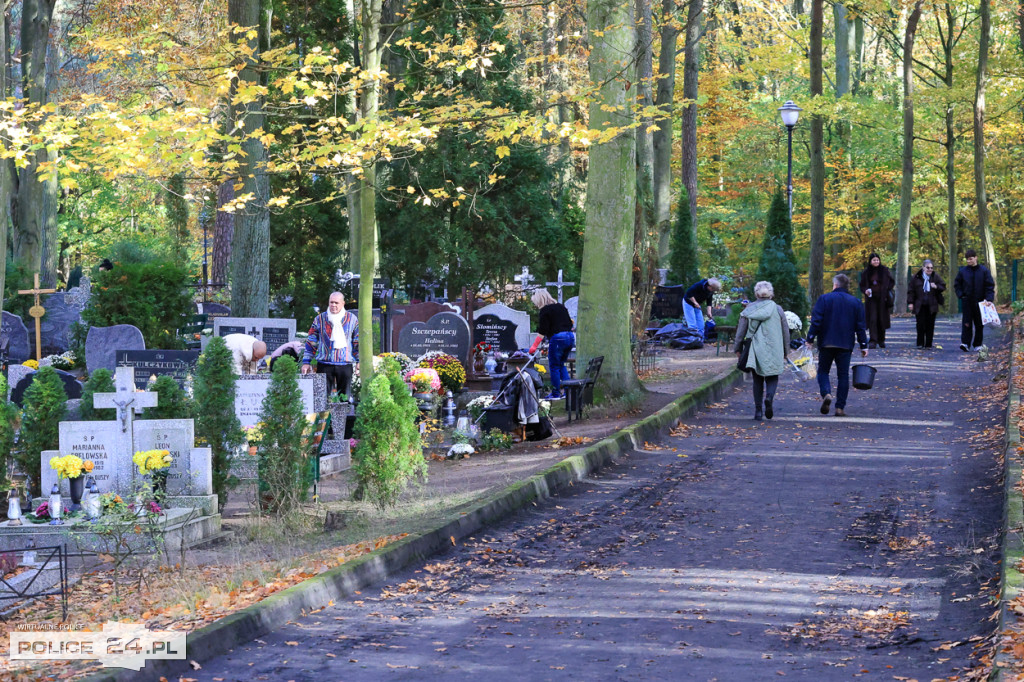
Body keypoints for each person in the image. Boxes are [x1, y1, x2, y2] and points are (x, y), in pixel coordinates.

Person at [805, 273, 868, 417]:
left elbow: (816, 321)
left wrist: (810, 339)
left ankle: (826, 393)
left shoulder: (824, 299)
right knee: (843, 375)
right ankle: (840, 407)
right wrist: (864, 345)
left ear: (835, 285)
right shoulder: (856, 302)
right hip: (845, 344)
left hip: (826, 342)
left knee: (823, 371)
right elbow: (860, 326)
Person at [734, 281, 790, 421]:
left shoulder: (749, 309)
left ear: (756, 294)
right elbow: (785, 332)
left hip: (755, 348)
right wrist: (786, 350)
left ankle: (758, 411)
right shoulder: (778, 309)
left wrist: (737, 348)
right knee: (772, 375)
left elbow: (741, 332)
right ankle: (769, 397)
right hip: (774, 347)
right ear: (771, 294)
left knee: (757, 379)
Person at [302, 291, 359, 396]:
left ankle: (342, 413)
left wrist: (359, 361)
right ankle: (323, 413)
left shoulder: (352, 319)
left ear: (343, 303)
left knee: (344, 399)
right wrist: (306, 362)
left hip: (345, 365)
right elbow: (311, 342)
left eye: (336, 303)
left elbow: (357, 342)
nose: (333, 305)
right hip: (324, 364)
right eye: (331, 302)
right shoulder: (320, 319)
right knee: (322, 397)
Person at [531, 288, 575, 400]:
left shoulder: (545, 310)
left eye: (536, 303)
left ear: (539, 300)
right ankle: (568, 391)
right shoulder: (561, 307)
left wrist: (533, 347)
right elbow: (570, 323)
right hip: (570, 337)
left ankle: (556, 394)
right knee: (561, 364)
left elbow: (542, 330)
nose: (536, 305)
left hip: (558, 339)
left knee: (554, 366)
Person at [953, 248, 996, 352]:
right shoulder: (963, 271)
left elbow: (989, 285)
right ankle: (965, 343)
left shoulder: (984, 271)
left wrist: (989, 298)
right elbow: (957, 284)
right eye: (967, 259)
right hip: (967, 301)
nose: (968, 261)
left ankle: (978, 344)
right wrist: (961, 295)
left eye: (970, 259)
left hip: (981, 301)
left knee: (979, 324)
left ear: (976, 258)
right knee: (966, 323)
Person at [907, 259, 946, 349]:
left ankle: (928, 343)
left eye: (931, 268)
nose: (930, 269)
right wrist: (910, 302)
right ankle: (920, 343)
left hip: (931, 304)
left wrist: (936, 286)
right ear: (923, 267)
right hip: (920, 304)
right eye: (928, 267)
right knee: (920, 324)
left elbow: (943, 286)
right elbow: (911, 291)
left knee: (930, 324)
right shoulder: (916, 277)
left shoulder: (935, 276)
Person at [858, 252, 894, 348]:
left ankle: (881, 340)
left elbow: (891, 282)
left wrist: (886, 289)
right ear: (870, 261)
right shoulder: (866, 272)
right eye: (874, 260)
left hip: (883, 299)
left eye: (877, 260)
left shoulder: (885, 270)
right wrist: (865, 290)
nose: (876, 261)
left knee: (881, 319)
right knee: (873, 319)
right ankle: (873, 340)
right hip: (871, 299)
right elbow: (862, 285)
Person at [683, 277, 722, 342]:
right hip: (688, 303)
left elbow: (709, 301)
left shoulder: (710, 291)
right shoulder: (699, 285)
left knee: (701, 324)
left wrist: (709, 312)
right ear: (709, 286)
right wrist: (695, 302)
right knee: (692, 324)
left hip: (697, 305)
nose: (713, 291)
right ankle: (692, 341)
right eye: (713, 289)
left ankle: (700, 340)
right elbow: (689, 293)